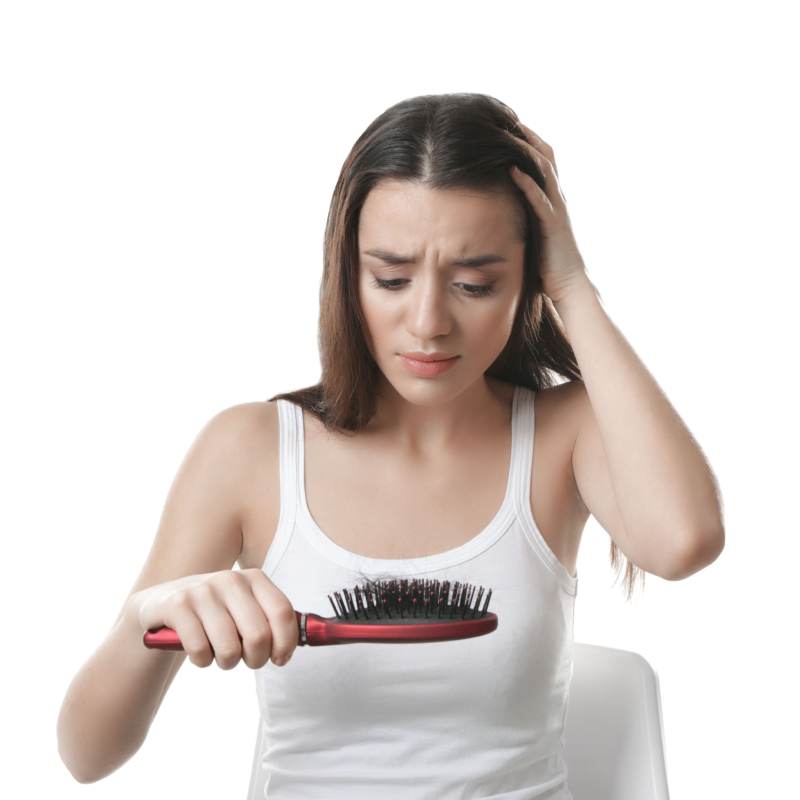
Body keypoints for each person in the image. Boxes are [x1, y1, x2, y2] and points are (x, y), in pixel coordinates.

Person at [56, 93, 725, 797]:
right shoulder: (250, 450)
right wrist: (150, 615)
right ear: (347, 274)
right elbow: (86, 753)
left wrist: (574, 285)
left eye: (475, 283)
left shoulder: (566, 433)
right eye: (392, 279)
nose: (429, 322)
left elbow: (684, 541)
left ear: (526, 278)